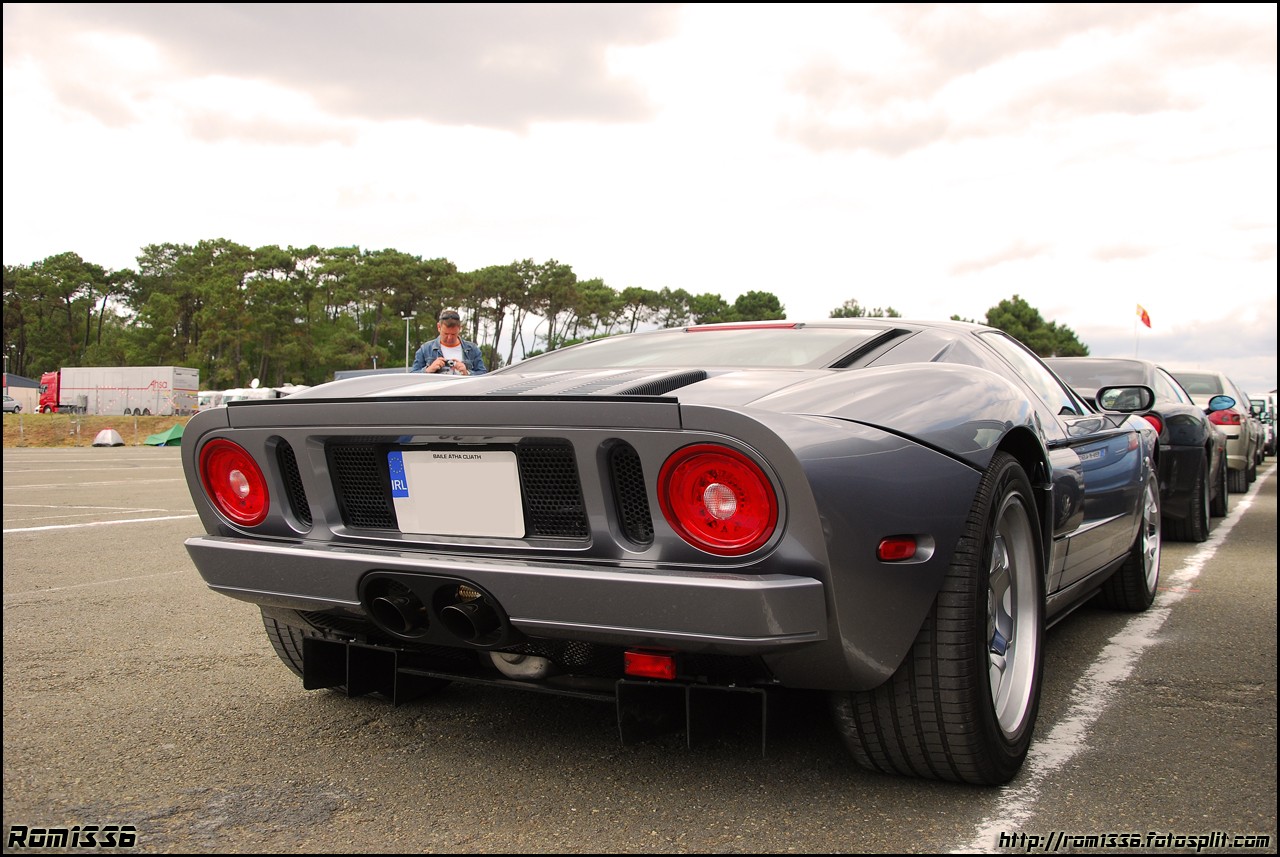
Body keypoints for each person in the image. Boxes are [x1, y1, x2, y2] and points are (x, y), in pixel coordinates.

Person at [410, 308, 488, 375]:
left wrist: (467, 372)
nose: (449, 338)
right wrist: (428, 370)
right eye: (446, 334)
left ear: (460, 328)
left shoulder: (473, 349)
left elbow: (483, 375)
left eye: (453, 334)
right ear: (438, 327)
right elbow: (412, 377)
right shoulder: (425, 349)